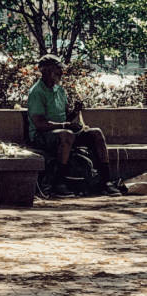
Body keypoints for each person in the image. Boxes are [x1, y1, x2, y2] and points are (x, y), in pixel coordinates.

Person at [28, 54, 121, 198]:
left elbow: (65, 117)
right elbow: (39, 124)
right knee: (67, 135)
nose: (61, 72)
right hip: (41, 136)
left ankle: (105, 181)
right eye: (58, 69)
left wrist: (74, 112)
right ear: (47, 70)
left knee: (96, 133)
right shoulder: (37, 92)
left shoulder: (59, 90)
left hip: (62, 133)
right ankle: (59, 184)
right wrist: (66, 125)